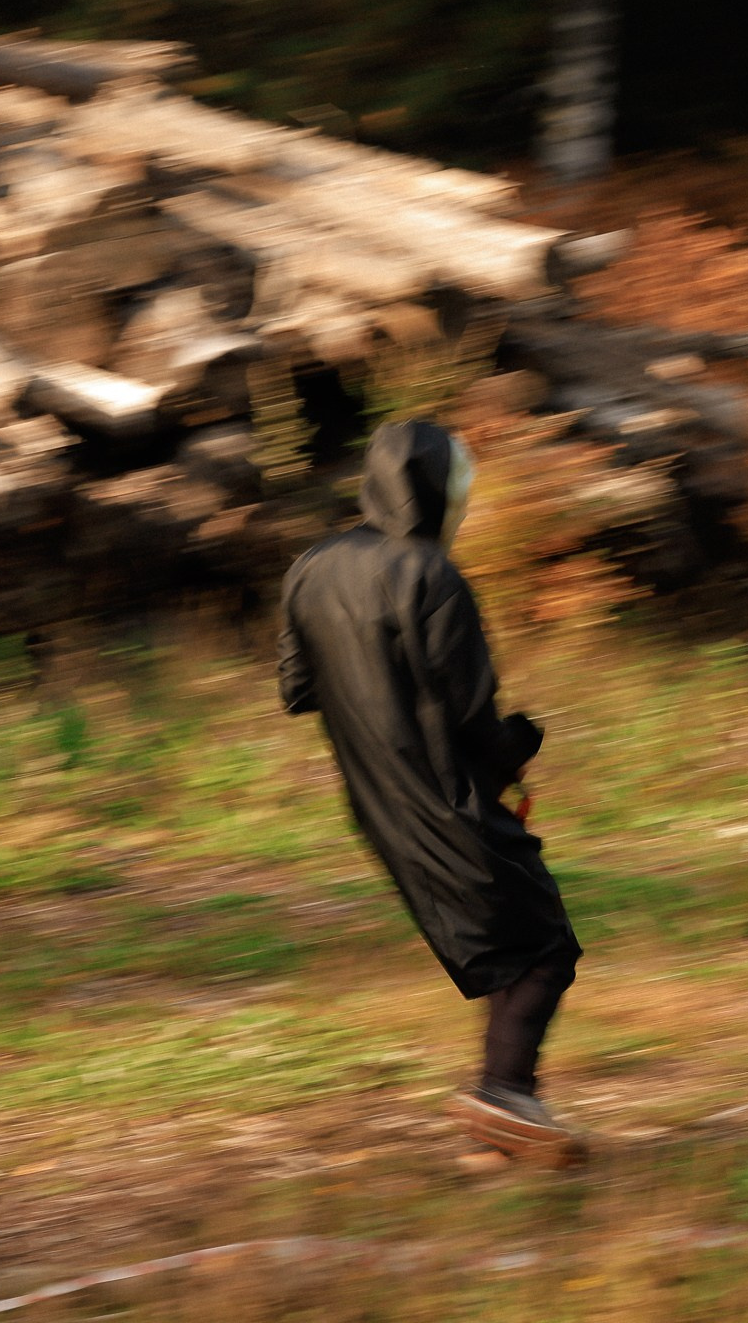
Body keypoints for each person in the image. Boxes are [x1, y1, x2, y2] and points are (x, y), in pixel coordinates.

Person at [277, 419, 585, 1169]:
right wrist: (521, 745)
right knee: (545, 946)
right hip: (451, 798)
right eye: (459, 488)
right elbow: (471, 713)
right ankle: (504, 1096)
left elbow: (297, 689)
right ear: (434, 490)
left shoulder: (311, 566)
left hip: (374, 805)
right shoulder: (431, 574)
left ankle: (502, 1129)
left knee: (502, 951)